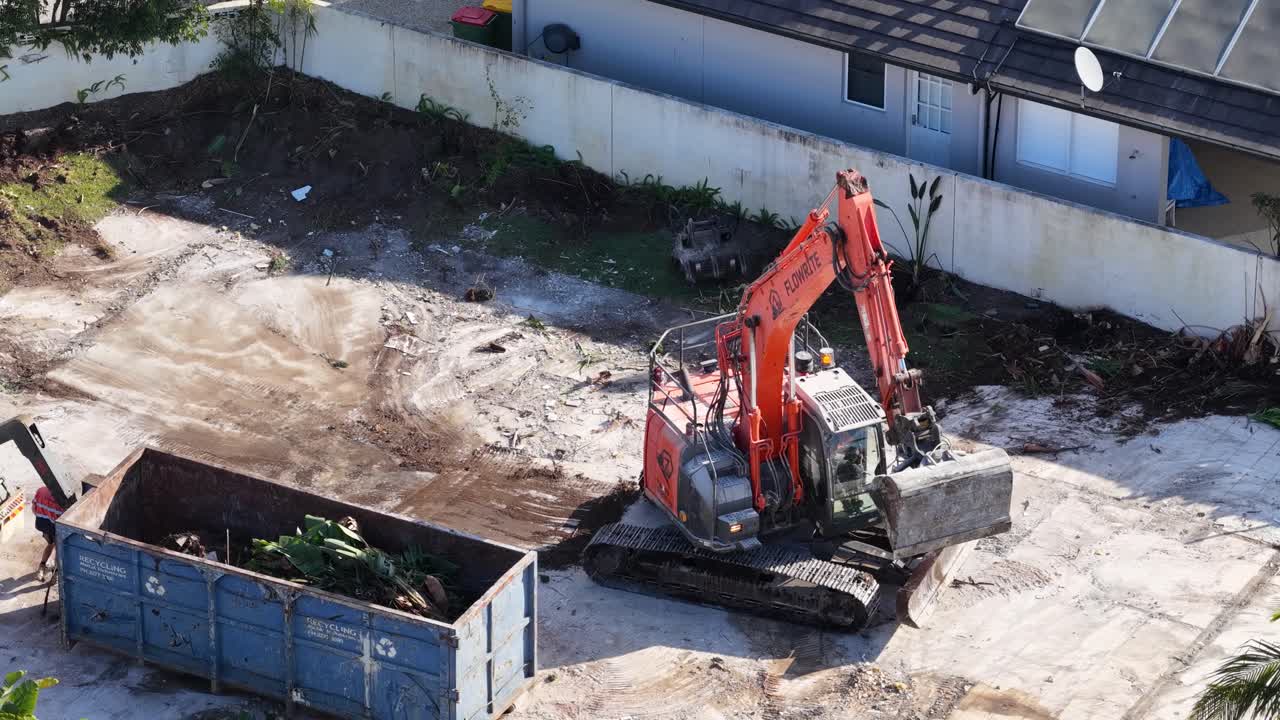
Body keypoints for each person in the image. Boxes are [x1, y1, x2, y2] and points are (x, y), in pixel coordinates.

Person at [32, 485, 64, 582]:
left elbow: (34, 509)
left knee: (50, 544)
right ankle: (55, 575)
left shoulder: (41, 490)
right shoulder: (62, 500)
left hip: (43, 524)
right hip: (55, 528)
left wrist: (45, 516)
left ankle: (41, 569)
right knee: (60, 549)